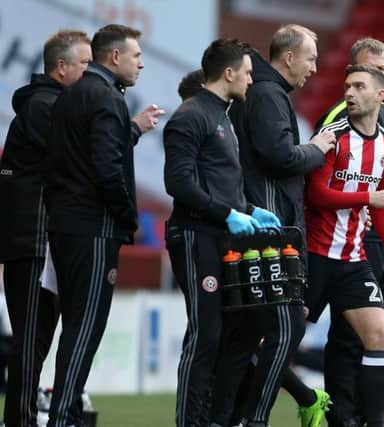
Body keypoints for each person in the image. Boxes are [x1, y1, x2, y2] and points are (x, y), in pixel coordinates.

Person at [209, 24, 336, 427]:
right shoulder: (267, 94)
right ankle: (254, 419)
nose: (315, 68)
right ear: (289, 57)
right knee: (285, 329)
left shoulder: (263, 91)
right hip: (268, 236)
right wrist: (316, 150)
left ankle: (224, 418)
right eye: (312, 58)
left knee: (244, 337)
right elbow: (279, 157)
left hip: (259, 228)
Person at [45, 24, 163, 427]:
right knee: (86, 325)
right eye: (136, 56)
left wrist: (132, 129)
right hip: (94, 228)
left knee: (74, 321)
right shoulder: (107, 99)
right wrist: (128, 218)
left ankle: (68, 410)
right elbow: (107, 170)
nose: (141, 63)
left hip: (63, 225)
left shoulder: (69, 96)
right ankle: (63, 416)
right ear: (114, 58)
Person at [164, 38, 281, 427]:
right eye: (247, 72)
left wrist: (249, 210)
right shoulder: (191, 116)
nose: (251, 80)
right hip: (196, 235)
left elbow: (219, 183)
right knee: (205, 334)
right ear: (228, 73)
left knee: (236, 331)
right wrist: (226, 213)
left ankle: (217, 418)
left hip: (219, 234)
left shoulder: (222, 116)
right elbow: (178, 183)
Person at [312, 37, 384, 427]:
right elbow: (317, 193)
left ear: (383, 85)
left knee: (375, 334)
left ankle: (363, 420)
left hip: (357, 253)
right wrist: (367, 199)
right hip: (319, 251)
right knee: (284, 340)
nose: (356, 90)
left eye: (377, 73)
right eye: (353, 81)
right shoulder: (335, 126)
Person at [0, 29, 91, 427]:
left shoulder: (47, 106)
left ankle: (22, 416)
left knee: (35, 341)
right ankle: (19, 420)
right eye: (86, 64)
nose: (91, 72)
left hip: (41, 240)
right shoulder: (44, 107)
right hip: (34, 240)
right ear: (62, 67)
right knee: (31, 341)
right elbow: (73, 162)